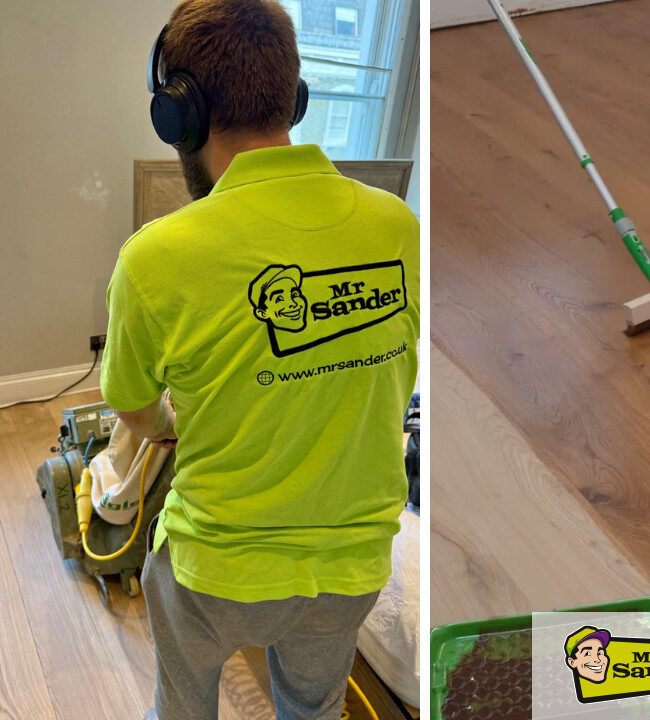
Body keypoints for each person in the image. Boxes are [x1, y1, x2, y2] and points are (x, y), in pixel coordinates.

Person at [100, 1, 419, 718]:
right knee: (312, 707)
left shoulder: (154, 257)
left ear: (176, 114)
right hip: (352, 567)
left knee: (182, 707)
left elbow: (130, 404)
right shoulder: (399, 227)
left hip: (215, 572)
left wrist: (164, 425)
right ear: (294, 98)